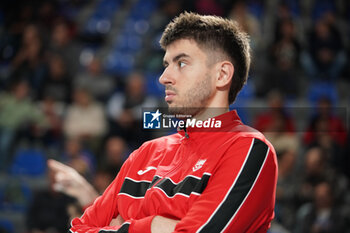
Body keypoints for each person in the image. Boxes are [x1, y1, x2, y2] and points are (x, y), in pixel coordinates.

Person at [70, 12, 278, 233]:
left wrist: (129, 225)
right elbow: (78, 230)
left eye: (181, 63)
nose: (164, 77)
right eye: (166, 64)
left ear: (222, 75)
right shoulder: (145, 153)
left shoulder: (249, 148)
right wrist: (157, 226)